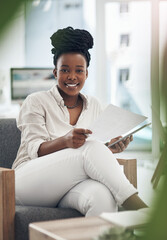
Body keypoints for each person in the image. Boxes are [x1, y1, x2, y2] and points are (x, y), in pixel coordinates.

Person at [12, 26, 147, 216]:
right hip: (25, 183)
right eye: (65, 70)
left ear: (87, 73)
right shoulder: (36, 101)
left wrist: (109, 148)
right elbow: (35, 149)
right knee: (90, 148)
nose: (72, 76)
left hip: (69, 184)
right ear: (55, 72)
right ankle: (139, 208)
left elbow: (88, 155)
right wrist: (66, 141)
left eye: (79, 70)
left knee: (101, 197)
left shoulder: (95, 105)